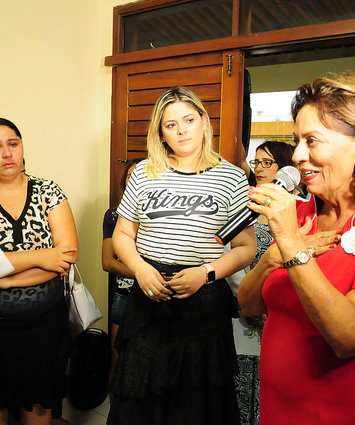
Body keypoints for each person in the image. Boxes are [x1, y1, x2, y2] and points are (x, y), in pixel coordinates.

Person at [238, 73, 355, 425]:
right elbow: (248, 307)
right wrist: (271, 258)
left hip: (347, 414)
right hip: (279, 410)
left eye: (313, 141)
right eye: (297, 141)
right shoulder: (299, 214)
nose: (297, 155)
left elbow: (349, 336)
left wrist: (292, 247)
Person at [107, 86, 256, 425]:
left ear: (204, 122)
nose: (182, 130)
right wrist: (139, 269)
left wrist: (205, 273)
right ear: (160, 133)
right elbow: (123, 235)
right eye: (170, 125)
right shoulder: (144, 173)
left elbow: (245, 247)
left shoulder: (232, 177)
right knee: (139, 399)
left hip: (204, 299)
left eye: (189, 120)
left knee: (196, 404)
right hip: (149, 296)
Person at [0, 118, 79, 425]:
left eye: (13, 144)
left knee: (39, 406)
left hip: (45, 327)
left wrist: (2, 277)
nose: (6, 153)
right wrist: (42, 256)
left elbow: (66, 257)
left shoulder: (49, 191)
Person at [230, 140, 296, 425]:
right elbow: (231, 256)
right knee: (242, 376)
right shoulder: (245, 204)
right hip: (244, 306)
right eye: (256, 162)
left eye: (267, 162)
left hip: (283, 311)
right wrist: (249, 301)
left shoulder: (298, 208)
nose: (259, 168)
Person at [102, 157, 142, 394]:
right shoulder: (114, 215)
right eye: (131, 176)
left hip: (157, 295)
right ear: (124, 182)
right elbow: (108, 262)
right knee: (118, 355)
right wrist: (145, 273)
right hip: (125, 294)